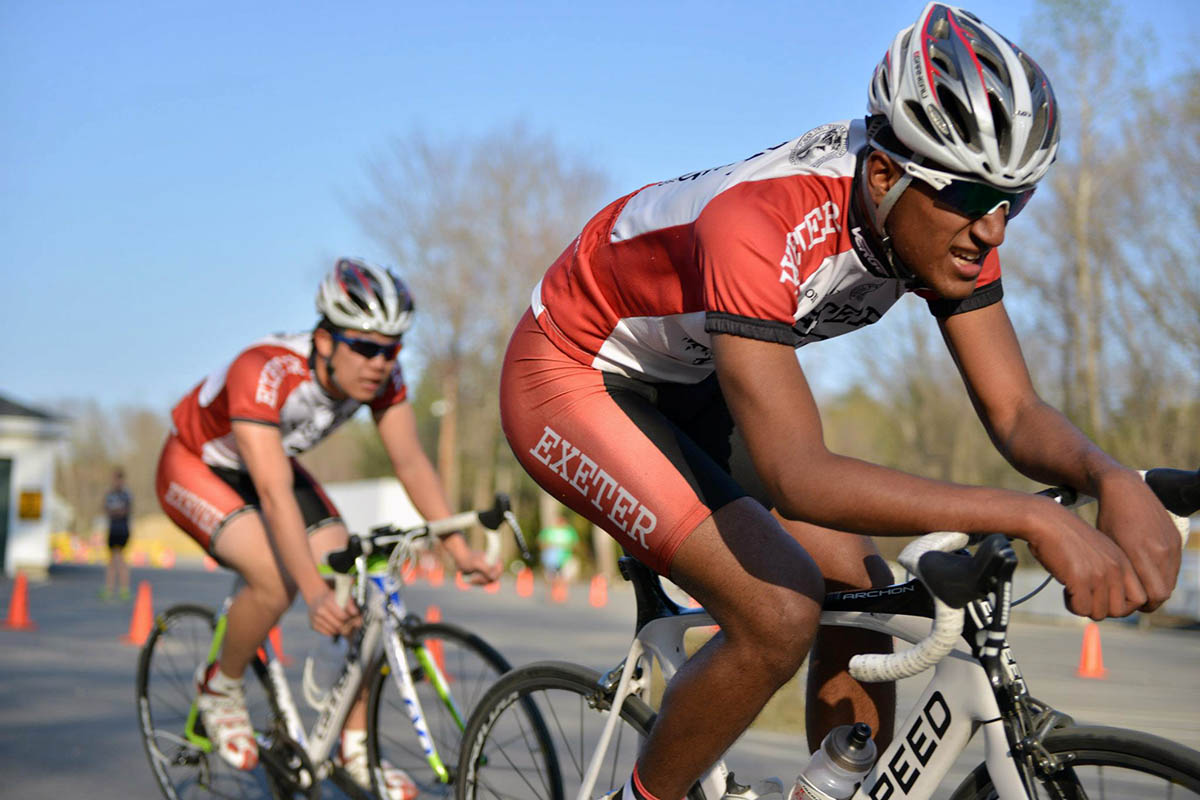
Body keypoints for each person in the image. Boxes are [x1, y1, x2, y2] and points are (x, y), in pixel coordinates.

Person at [497, 5, 1183, 799]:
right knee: (778, 610)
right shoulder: (757, 223)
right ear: (886, 173)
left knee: (867, 583)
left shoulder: (938, 227)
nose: (991, 231)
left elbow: (1017, 413)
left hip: (687, 381)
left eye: (1013, 200)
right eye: (969, 194)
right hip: (568, 372)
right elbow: (796, 473)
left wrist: (1115, 478)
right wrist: (1034, 516)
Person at [156, 258, 501, 799]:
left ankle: (355, 748)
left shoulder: (383, 378)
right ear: (325, 340)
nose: (380, 362)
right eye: (365, 347)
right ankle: (219, 687)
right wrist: (312, 592)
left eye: (393, 348)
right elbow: (272, 491)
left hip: (266, 466)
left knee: (357, 583)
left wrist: (457, 546)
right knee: (276, 579)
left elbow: (410, 462)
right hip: (197, 464)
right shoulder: (265, 370)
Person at [101, 467, 132, 600]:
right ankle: (110, 588)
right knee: (112, 561)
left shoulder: (126, 495)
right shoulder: (110, 494)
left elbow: (125, 511)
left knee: (119, 558)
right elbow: (105, 509)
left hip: (122, 530)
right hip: (112, 530)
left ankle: (124, 589)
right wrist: (115, 511)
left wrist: (115, 512)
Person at [537, 512, 581, 585]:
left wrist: (567, 547)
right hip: (551, 557)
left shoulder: (570, 531)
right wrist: (549, 547)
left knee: (564, 577)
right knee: (551, 577)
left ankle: (561, 591)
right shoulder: (549, 530)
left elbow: (576, 543)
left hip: (566, 557)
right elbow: (541, 541)